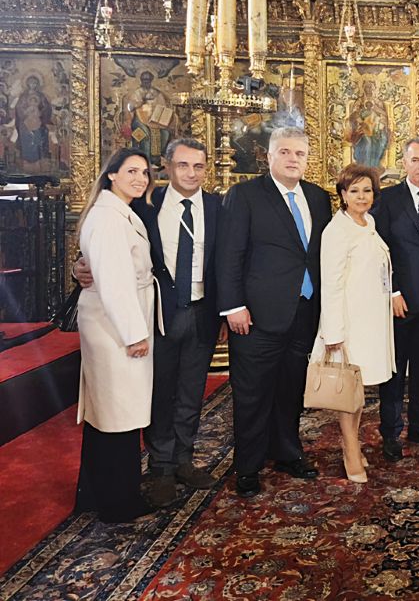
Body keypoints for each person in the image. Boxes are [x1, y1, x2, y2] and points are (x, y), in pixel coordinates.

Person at [74, 138, 226, 507]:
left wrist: (225, 310)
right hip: (159, 316)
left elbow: (230, 258)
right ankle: (161, 469)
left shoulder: (219, 207)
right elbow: (106, 252)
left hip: (203, 313)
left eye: (199, 166)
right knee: (160, 394)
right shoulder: (144, 204)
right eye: (183, 165)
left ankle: (183, 461)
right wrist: (81, 265)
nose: (191, 173)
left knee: (191, 393)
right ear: (168, 166)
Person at [216, 126, 333, 498]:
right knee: (252, 394)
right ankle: (248, 467)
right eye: (284, 152)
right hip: (256, 316)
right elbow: (229, 254)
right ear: (268, 156)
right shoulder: (245, 195)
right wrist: (233, 306)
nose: (292, 159)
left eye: (299, 153)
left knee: (290, 389)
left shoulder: (318, 198)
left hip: (304, 312)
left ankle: (286, 451)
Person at [74, 148, 157, 523]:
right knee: (117, 416)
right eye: (132, 171)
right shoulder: (108, 218)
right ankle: (119, 502)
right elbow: (115, 285)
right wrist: (134, 335)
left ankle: (96, 494)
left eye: (144, 173)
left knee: (109, 413)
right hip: (115, 329)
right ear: (111, 174)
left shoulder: (120, 211)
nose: (140, 179)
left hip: (116, 322)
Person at [315, 164, 395, 484]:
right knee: (348, 390)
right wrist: (334, 332)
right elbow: (331, 285)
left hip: (370, 321)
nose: (362, 196)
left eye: (367, 190)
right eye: (355, 191)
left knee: (359, 389)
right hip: (348, 324)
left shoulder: (368, 223)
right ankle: (350, 450)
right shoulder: (337, 231)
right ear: (343, 194)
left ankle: (353, 442)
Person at [371, 137, 419, 462]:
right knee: (394, 372)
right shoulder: (387, 200)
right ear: (403, 163)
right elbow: (379, 250)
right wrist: (393, 291)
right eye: (415, 160)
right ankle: (390, 433)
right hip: (399, 303)